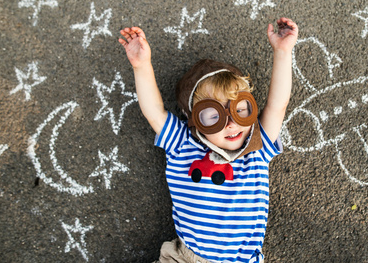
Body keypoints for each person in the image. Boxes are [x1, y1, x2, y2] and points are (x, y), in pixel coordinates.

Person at [119, 18, 298, 263]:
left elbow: (278, 106)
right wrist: (141, 66)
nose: (231, 123)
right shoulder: (183, 143)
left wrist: (283, 51)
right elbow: (154, 111)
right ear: (194, 121)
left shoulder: (256, 148)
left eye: (240, 110)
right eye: (213, 116)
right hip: (186, 258)